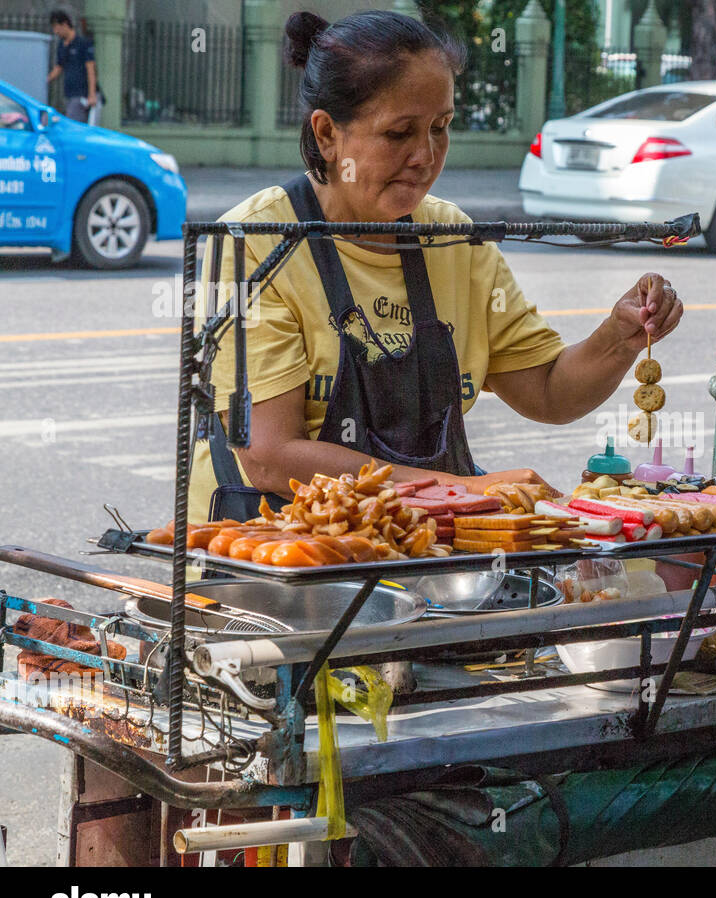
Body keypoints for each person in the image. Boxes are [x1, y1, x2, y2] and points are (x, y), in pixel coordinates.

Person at [187, 10, 683, 526]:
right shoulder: (257, 243)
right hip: (273, 554)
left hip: (417, 552)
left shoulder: (453, 237)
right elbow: (271, 456)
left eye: (440, 128)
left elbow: (548, 392)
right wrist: (459, 489)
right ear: (328, 134)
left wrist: (619, 337)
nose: (425, 155)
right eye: (399, 133)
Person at [47, 9, 101, 126]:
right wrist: (45, 80)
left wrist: (91, 94)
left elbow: (91, 69)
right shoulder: (62, 45)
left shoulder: (83, 43)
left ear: (65, 24)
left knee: (73, 125)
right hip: (69, 93)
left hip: (81, 93)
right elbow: (59, 67)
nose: (56, 32)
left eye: (57, 28)